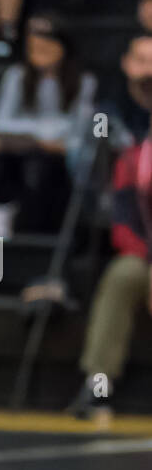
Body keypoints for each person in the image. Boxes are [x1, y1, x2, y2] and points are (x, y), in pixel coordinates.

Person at [68, 33, 152, 419]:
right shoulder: (108, 117)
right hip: (140, 247)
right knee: (123, 277)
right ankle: (97, 387)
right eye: (141, 60)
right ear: (126, 64)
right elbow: (106, 198)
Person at [0, 13, 96, 234]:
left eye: (47, 42)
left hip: (60, 160)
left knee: (40, 166)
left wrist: (40, 139)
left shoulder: (83, 82)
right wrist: (41, 138)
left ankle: (37, 237)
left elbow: (77, 136)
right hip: (17, 153)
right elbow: (0, 123)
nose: (39, 48)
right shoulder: (16, 76)